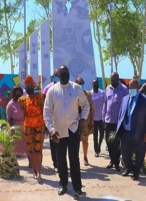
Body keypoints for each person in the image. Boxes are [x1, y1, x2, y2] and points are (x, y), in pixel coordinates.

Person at [43, 65, 89, 198]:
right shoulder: (52, 91)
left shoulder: (76, 88)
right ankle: (63, 185)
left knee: (74, 159)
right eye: (62, 74)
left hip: (74, 128)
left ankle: (77, 189)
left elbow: (85, 105)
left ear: (69, 74)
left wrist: (82, 119)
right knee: (61, 159)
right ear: (57, 75)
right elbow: (47, 111)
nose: (64, 76)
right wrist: (51, 129)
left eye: (66, 73)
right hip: (58, 131)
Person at [116, 79, 146, 181]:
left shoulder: (145, 100)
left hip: (139, 132)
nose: (130, 89)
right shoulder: (125, 99)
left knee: (140, 154)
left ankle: (136, 173)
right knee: (125, 154)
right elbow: (121, 114)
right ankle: (129, 167)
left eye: (132, 88)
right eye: (129, 87)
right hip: (126, 132)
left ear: (137, 88)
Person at [18, 75, 46, 182]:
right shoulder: (23, 100)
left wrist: (47, 127)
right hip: (28, 127)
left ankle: (39, 172)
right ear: (25, 87)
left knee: (38, 150)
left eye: (30, 85)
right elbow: (24, 115)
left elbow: (44, 112)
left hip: (40, 126)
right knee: (32, 151)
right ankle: (34, 171)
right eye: (27, 85)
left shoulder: (41, 97)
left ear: (34, 85)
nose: (29, 87)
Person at [102, 72, 129, 171]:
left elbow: (127, 105)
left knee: (117, 144)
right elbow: (105, 104)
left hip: (119, 123)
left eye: (114, 80)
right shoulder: (108, 89)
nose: (112, 82)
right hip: (109, 121)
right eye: (111, 80)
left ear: (118, 79)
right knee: (109, 142)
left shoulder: (124, 89)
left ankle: (116, 163)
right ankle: (112, 160)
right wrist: (103, 118)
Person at [5, 86, 30, 167]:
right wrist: (14, 129)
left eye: (19, 94)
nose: (18, 96)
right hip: (14, 127)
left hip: (24, 127)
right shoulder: (10, 104)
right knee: (14, 146)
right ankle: (13, 163)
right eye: (16, 94)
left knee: (27, 145)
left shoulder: (24, 102)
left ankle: (31, 162)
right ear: (13, 94)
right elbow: (8, 118)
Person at [43, 69, 59, 173]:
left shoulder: (65, 88)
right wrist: (45, 124)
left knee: (62, 143)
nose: (57, 76)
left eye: (59, 75)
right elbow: (44, 107)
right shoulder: (47, 88)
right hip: (51, 121)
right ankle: (55, 164)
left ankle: (61, 162)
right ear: (53, 76)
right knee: (53, 144)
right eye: (56, 75)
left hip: (62, 120)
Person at [75, 77, 94, 166]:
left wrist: (92, 121)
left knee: (85, 140)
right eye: (79, 83)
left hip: (85, 121)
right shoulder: (72, 94)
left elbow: (92, 108)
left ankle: (85, 157)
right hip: (74, 121)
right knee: (74, 141)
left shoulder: (88, 94)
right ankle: (75, 159)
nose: (81, 85)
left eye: (82, 83)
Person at [91, 78, 105, 157]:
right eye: (94, 84)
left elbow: (105, 104)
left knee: (102, 134)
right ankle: (96, 150)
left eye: (96, 84)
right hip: (94, 118)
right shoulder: (90, 94)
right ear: (92, 85)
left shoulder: (102, 93)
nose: (95, 85)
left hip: (101, 118)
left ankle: (99, 145)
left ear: (98, 85)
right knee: (95, 135)